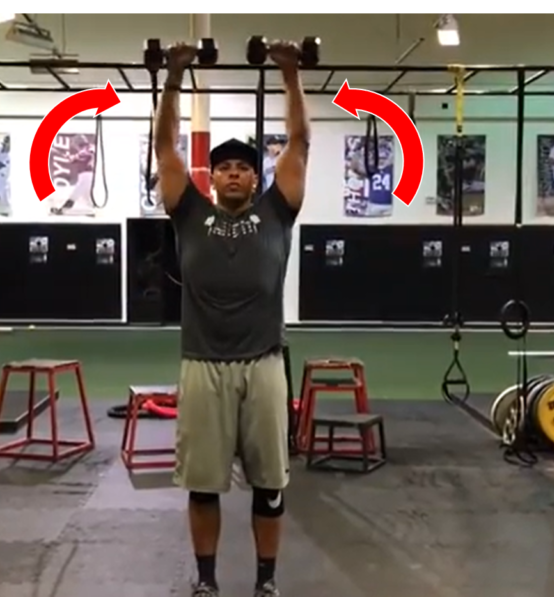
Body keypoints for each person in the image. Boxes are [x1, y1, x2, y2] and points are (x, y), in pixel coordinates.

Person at [154, 40, 309, 597]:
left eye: (244, 167)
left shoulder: (277, 211)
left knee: (270, 485)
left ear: (256, 177)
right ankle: (206, 582)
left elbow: (300, 141)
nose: (235, 174)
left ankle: (266, 583)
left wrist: (290, 74)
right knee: (203, 486)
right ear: (213, 177)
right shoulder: (189, 212)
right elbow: (165, 147)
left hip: (264, 365)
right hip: (202, 365)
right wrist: (174, 76)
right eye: (225, 168)